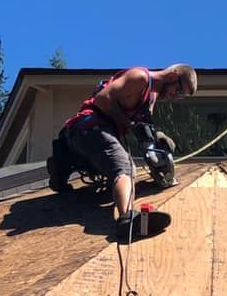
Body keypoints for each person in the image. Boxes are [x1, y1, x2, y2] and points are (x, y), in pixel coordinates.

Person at [48, 64, 197, 238]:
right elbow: (103, 99)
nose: (174, 97)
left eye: (179, 97)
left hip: (93, 137)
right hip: (89, 127)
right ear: (172, 76)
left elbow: (143, 127)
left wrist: (157, 138)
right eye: (178, 91)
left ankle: (62, 165)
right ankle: (127, 219)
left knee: (107, 169)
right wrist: (126, 122)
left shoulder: (151, 96)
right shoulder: (140, 78)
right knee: (125, 167)